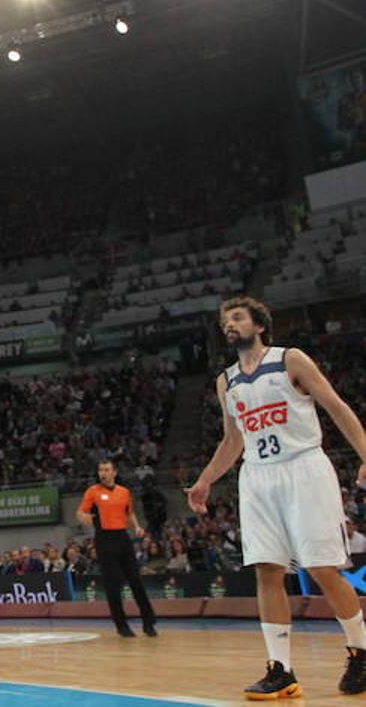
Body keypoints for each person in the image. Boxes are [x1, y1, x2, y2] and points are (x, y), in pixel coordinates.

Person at [187, 296, 366, 698]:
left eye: (237, 317)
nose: (228, 325)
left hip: (304, 468)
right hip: (257, 478)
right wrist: (205, 480)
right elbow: (233, 440)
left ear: (260, 325)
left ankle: (361, 649)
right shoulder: (226, 380)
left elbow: (336, 407)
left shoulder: (291, 360)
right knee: (267, 570)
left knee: (323, 569)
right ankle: (281, 669)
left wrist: (365, 455)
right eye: (224, 320)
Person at [77, 459, 156, 638]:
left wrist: (136, 526)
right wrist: (91, 520)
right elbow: (81, 513)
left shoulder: (124, 492)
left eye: (106, 469)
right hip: (104, 539)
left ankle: (149, 621)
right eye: (100, 470)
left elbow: (130, 512)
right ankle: (121, 625)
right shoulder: (93, 491)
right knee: (113, 584)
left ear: (114, 472)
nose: (102, 473)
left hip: (122, 537)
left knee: (136, 580)